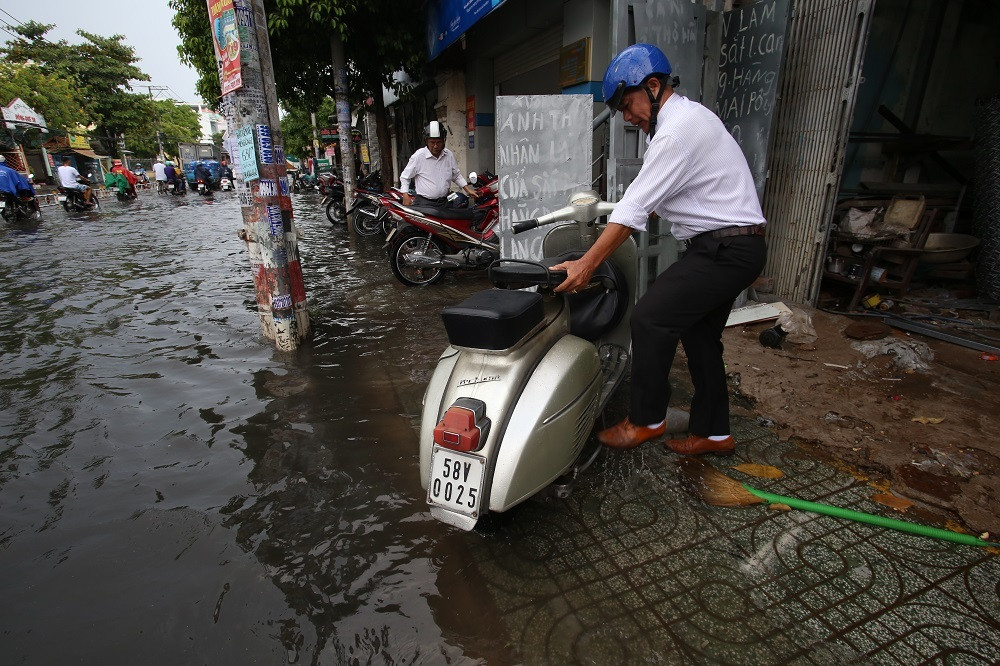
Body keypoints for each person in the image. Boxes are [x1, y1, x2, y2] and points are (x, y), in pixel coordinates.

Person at [552, 43, 767, 456]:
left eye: (627, 103)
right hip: (735, 246)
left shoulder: (676, 131)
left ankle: (646, 420)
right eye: (619, 110)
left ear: (652, 85)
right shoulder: (685, 122)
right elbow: (658, 200)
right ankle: (714, 433)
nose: (627, 116)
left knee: (650, 318)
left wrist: (586, 262)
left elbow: (634, 207)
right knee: (701, 337)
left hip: (725, 250)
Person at [399, 121, 476, 207]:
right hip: (424, 203)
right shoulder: (418, 156)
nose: (435, 146)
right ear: (426, 142)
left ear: (443, 141)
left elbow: (456, 175)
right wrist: (405, 195)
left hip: (444, 201)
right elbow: (405, 177)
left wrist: (468, 190)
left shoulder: (448, 155)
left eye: (438, 142)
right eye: (432, 142)